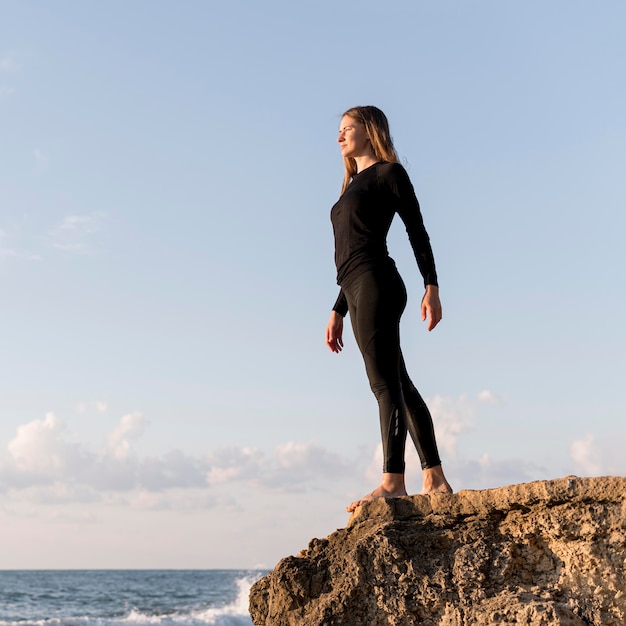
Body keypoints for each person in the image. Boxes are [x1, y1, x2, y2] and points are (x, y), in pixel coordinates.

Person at [325, 105, 453, 513]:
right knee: (399, 383)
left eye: (348, 128)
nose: (340, 136)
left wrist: (431, 286)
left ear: (370, 130)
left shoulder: (388, 174)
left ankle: (393, 481)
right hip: (357, 287)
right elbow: (349, 252)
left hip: (378, 282)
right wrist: (338, 308)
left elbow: (417, 231)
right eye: (339, 130)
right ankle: (433, 476)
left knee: (383, 384)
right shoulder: (350, 186)